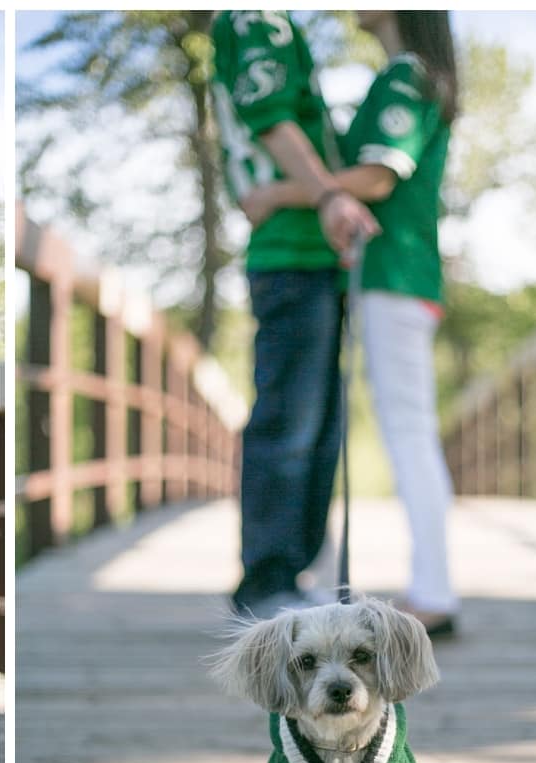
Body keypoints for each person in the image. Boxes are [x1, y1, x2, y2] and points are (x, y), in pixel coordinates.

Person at [239, 11, 460, 636]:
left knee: (409, 430)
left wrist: (278, 193)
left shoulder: (405, 77)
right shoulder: (408, 76)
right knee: (407, 428)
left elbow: (378, 177)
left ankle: (434, 592)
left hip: (395, 276)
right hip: (394, 279)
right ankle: (432, 586)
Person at [210, 11, 381, 620]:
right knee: (290, 424)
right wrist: (331, 193)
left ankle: (290, 572)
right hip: (291, 255)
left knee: (320, 425)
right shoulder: (257, 18)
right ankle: (266, 581)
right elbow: (272, 118)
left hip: (315, 258)